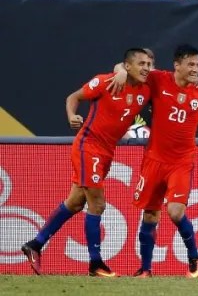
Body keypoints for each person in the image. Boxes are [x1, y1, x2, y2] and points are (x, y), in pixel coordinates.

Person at [21, 48, 152, 277]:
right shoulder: (105, 82)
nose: (146, 68)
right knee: (97, 204)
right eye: (141, 63)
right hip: (88, 147)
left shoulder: (146, 90)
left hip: (107, 152)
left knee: (74, 203)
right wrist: (72, 116)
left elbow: (171, 78)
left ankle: (35, 244)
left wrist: (121, 69)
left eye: (149, 64)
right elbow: (73, 97)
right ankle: (95, 263)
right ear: (128, 65)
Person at [111, 44, 198, 278]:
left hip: (182, 162)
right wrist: (119, 71)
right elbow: (128, 68)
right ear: (177, 65)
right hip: (154, 159)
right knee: (150, 215)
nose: (196, 69)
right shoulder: (158, 79)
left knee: (176, 212)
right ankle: (145, 269)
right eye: (191, 64)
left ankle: (193, 257)